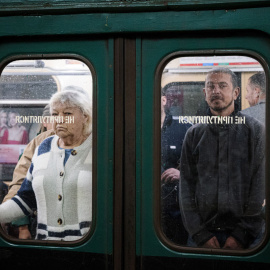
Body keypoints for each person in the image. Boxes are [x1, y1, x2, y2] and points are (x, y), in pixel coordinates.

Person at [179, 67, 265, 249]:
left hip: (246, 236)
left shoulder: (255, 131)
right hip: (202, 234)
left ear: (235, 92)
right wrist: (200, 234)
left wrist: (241, 236)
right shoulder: (194, 134)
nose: (215, 90)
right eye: (210, 86)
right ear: (204, 93)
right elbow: (186, 188)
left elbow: (261, 187)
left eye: (222, 85)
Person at [0, 89, 92, 241]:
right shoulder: (43, 147)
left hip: (88, 248)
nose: (60, 119)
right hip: (46, 246)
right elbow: (25, 199)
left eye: (67, 114)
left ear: (85, 117)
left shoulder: (97, 148)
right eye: (55, 114)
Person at [2, 104, 54, 240]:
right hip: (35, 214)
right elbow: (20, 186)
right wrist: (22, 227)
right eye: (54, 117)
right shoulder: (37, 144)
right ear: (45, 121)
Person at [161, 84, 191, 244]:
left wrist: (182, 174)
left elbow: (198, 164)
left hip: (177, 205)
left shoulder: (183, 127)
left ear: (164, 100)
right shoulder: (138, 128)